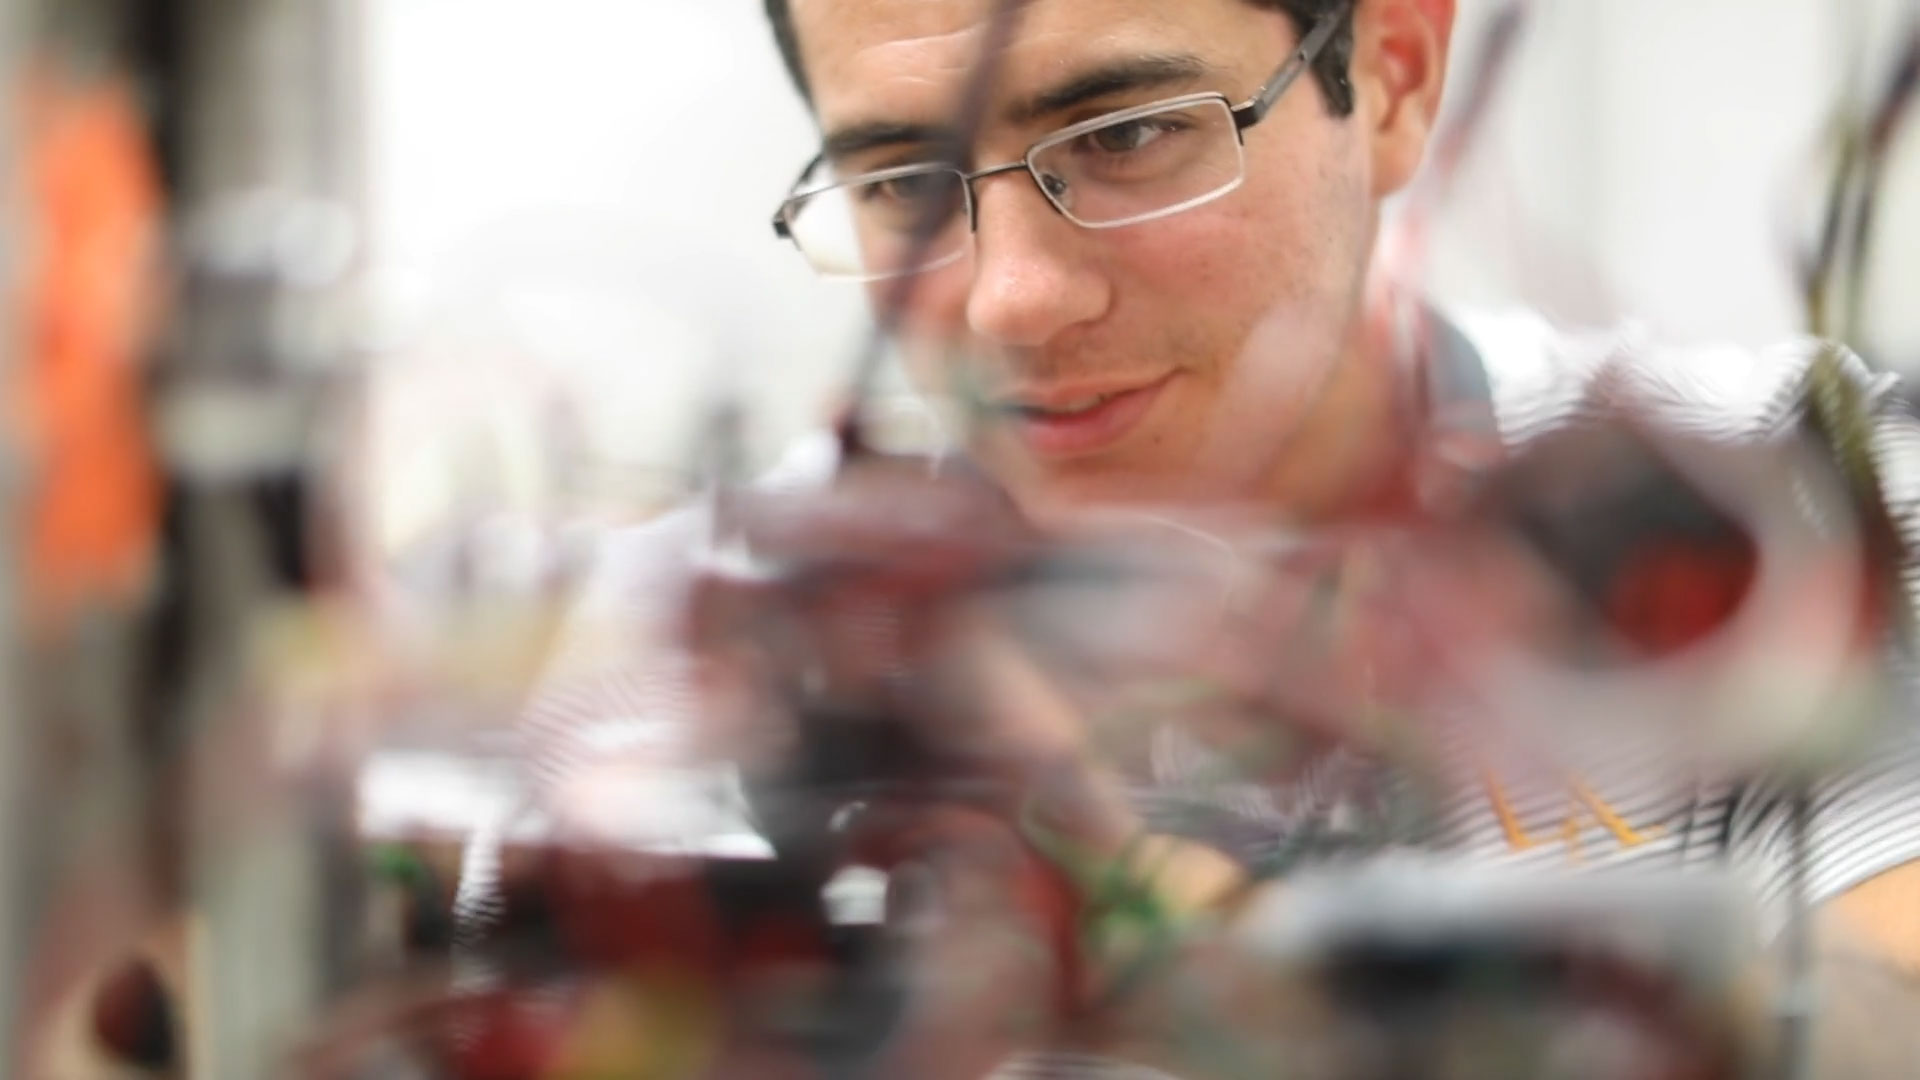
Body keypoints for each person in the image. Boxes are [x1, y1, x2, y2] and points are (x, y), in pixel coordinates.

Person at [461, 0, 1920, 1071]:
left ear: (1398, 74)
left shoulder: (1781, 505)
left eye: (1130, 135)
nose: (1010, 303)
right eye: (905, 185)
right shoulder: (685, 639)